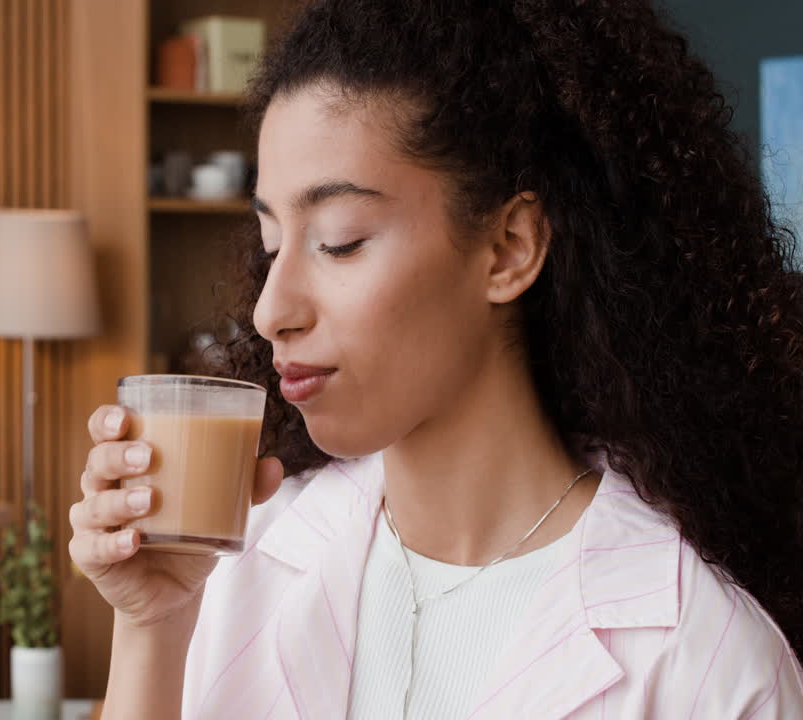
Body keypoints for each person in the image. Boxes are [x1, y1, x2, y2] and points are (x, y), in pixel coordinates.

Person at [67, 0, 803, 717]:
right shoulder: (236, 565)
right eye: (270, 243)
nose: (268, 311)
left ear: (509, 248)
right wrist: (153, 625)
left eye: (340, 241)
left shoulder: (709, 663)